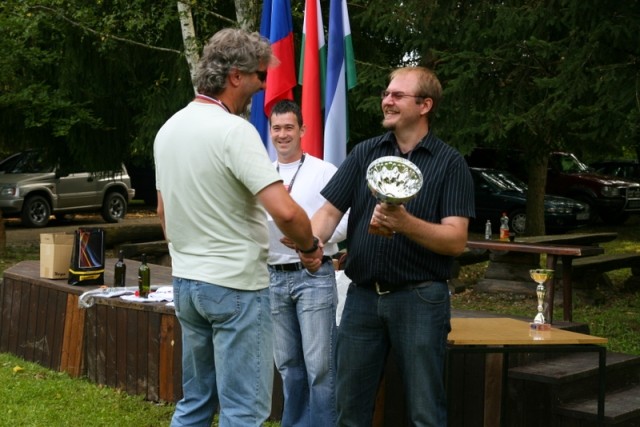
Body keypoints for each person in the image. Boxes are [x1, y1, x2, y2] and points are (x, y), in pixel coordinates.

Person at [153, 28, 322, 427]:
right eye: (258, 76)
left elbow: (163, 211)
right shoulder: (234, 131)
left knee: (194, 402)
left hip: (187, 284)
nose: (262, 85)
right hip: (236, 287)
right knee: (243, 410)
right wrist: (310, 246)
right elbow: (285, 211)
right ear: (235, 77)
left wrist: (186, 255)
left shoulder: (169, 129)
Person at [310, 66, 475, 426]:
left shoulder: (451, 164)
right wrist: (310, 242)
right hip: (363, 299)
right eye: (386, 94)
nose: (387, 100)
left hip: (419, 298)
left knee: (425, 412)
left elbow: (456, 240)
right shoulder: (364, 152)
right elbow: (328, 211)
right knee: (349, 409)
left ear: (425, 105)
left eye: (398, 95)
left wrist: (404, 224)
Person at [266, 100, 348, 426]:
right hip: (274, 277)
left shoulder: (325, 171)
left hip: (313, 275)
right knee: (288, 364)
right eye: (276, 128)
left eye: (289, 127)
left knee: (320, 367)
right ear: (270, 132)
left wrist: (312, 237)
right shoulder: (262, 175)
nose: (282, 134)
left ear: (303, 130)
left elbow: (346, 221)